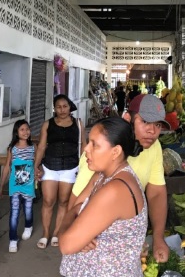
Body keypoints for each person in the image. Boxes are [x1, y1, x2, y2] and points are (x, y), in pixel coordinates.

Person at [69, 94, 171, 263]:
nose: (152, 131)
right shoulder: (103, 149)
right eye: (144, 122)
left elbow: (156, 194)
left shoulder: (154, 147)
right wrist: (78, 232)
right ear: (127, 119)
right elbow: (76, 204)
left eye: (158, 125)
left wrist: (158, 238)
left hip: (124, 249)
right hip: (93, 244)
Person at [59, 117, 147, 277]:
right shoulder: (102, 176)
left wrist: (69, 228)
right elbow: (73, 207)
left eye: (94, 145)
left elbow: (66, 244)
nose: (86, 149)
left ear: (115, 151)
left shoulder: (115, 190)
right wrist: (72, 222)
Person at [34, 94, 86, 249]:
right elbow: (42, 146)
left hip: (71, 167)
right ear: (54, 108)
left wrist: (85, 167)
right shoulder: (47, 125)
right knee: (48, 200)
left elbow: (84, 144)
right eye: (58, 107)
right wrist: (36, 166)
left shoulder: (78, 124)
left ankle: (56, 233)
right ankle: (45, 234)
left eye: (65, 106)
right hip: (50, 166)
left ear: (70, 107)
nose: (62, 109)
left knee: (63, 202)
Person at [0, 119, 36, 253]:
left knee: (28, 210)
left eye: (27, 129)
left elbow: (36, 166)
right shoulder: (12, 149)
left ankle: (28, 225)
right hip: (14, 186)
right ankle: (13, 240)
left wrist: (39, 174)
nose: (26, 132)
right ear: (17, 132)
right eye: (22, 129)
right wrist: (1, 186)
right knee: (14, 212)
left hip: (29, 185)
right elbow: (7, 168)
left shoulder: (33, 148)